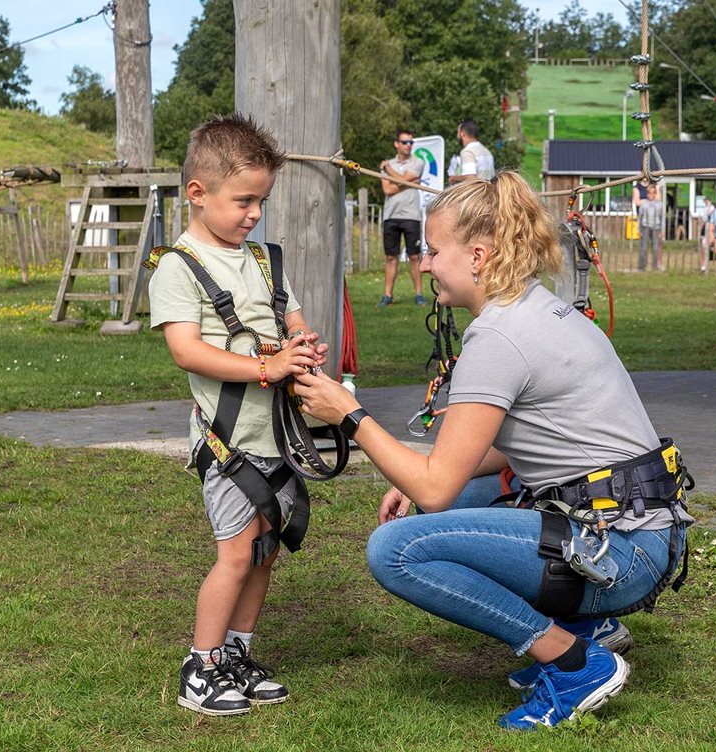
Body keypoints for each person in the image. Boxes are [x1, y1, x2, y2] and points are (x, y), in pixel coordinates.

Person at [291, 171, 694, 731]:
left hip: (622, 551)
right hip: (644, 533)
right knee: (439, 500)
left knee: (395, 551)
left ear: (477, 255)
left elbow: (436, 485)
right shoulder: (537, 306)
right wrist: (418, 478)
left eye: (434, 251)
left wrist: (349, 416)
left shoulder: (499, 337)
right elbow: (512, 452)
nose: (425, 264)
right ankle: (586, 625)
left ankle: (575, 660)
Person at [147, 113, 330, 717]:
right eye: (242, 201)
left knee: (265, 549)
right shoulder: (178, 266)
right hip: (228, 442)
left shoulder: (263, 259)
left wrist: (300, 345)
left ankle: (236, 652)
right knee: (234, 552)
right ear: (197, 194)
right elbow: (185, 350)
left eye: (261, 202)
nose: (253, 213)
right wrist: (265, 369)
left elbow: (290, 316)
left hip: (276, 436)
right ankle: (200, 666)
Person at [378, 128, 427, 306]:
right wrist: (409, 182)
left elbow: (398, 182)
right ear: (396, 144)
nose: (409, 145)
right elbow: (388, 189)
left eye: (411, 142)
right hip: (391, 216)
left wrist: (389, 170)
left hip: (411, 216)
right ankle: (388, 295)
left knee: (414, 256)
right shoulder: (388, 164)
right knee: (391, 257)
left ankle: (419, 294)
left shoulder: (417, 162)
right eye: (405, 142)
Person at [449, 119, 495, 183]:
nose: (457, 135)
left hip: (478, 192)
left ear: (462, 133)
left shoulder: (467, 152)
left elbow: (470, 178)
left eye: (458, 132)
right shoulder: (487, 151)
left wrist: (453, 178)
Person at [632, 181, 665, 271]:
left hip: (656, 227)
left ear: (655, 193)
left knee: (655, 248)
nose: (650, 194)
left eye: (652, 192)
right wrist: (639, 229)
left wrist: (662, 230)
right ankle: (642, 266)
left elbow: (662, 218)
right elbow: (640, 217)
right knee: (643, 248)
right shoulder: (643, 204)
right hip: (645, 227)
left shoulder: (659, 204)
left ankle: (654, 267)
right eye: (648, 192)